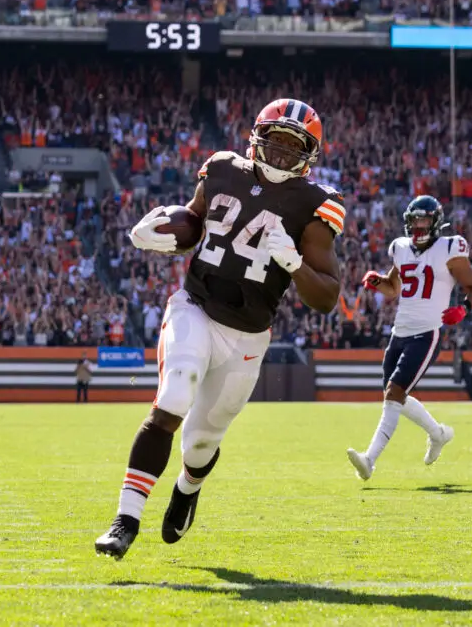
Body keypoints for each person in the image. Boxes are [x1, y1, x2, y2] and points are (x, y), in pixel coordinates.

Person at [95, 98, 344, 559]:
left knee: (202, 442)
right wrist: (164, 231)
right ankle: (125, 520)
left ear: (311, 155)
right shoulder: (223, 168)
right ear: (256, 139)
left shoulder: (317, 205)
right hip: (196, 305)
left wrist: (293, 263)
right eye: (276, 143)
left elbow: (327, 297)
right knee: (172, 399)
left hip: (248, 333)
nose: (284, 155)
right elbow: (194, 220)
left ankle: (188, 488)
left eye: (295, 148)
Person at [347, 195, 472, 480]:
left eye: (423, 220)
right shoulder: (400, 248)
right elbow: (394, 288)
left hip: (427, 333)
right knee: (395, 393)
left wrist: (464, 308)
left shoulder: (450, 248)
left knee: (393, 394)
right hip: (400, 331)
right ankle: (438, 434)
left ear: (435, 222)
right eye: (414, 221)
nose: (418, 226)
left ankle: (369, 460)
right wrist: (378, 281)